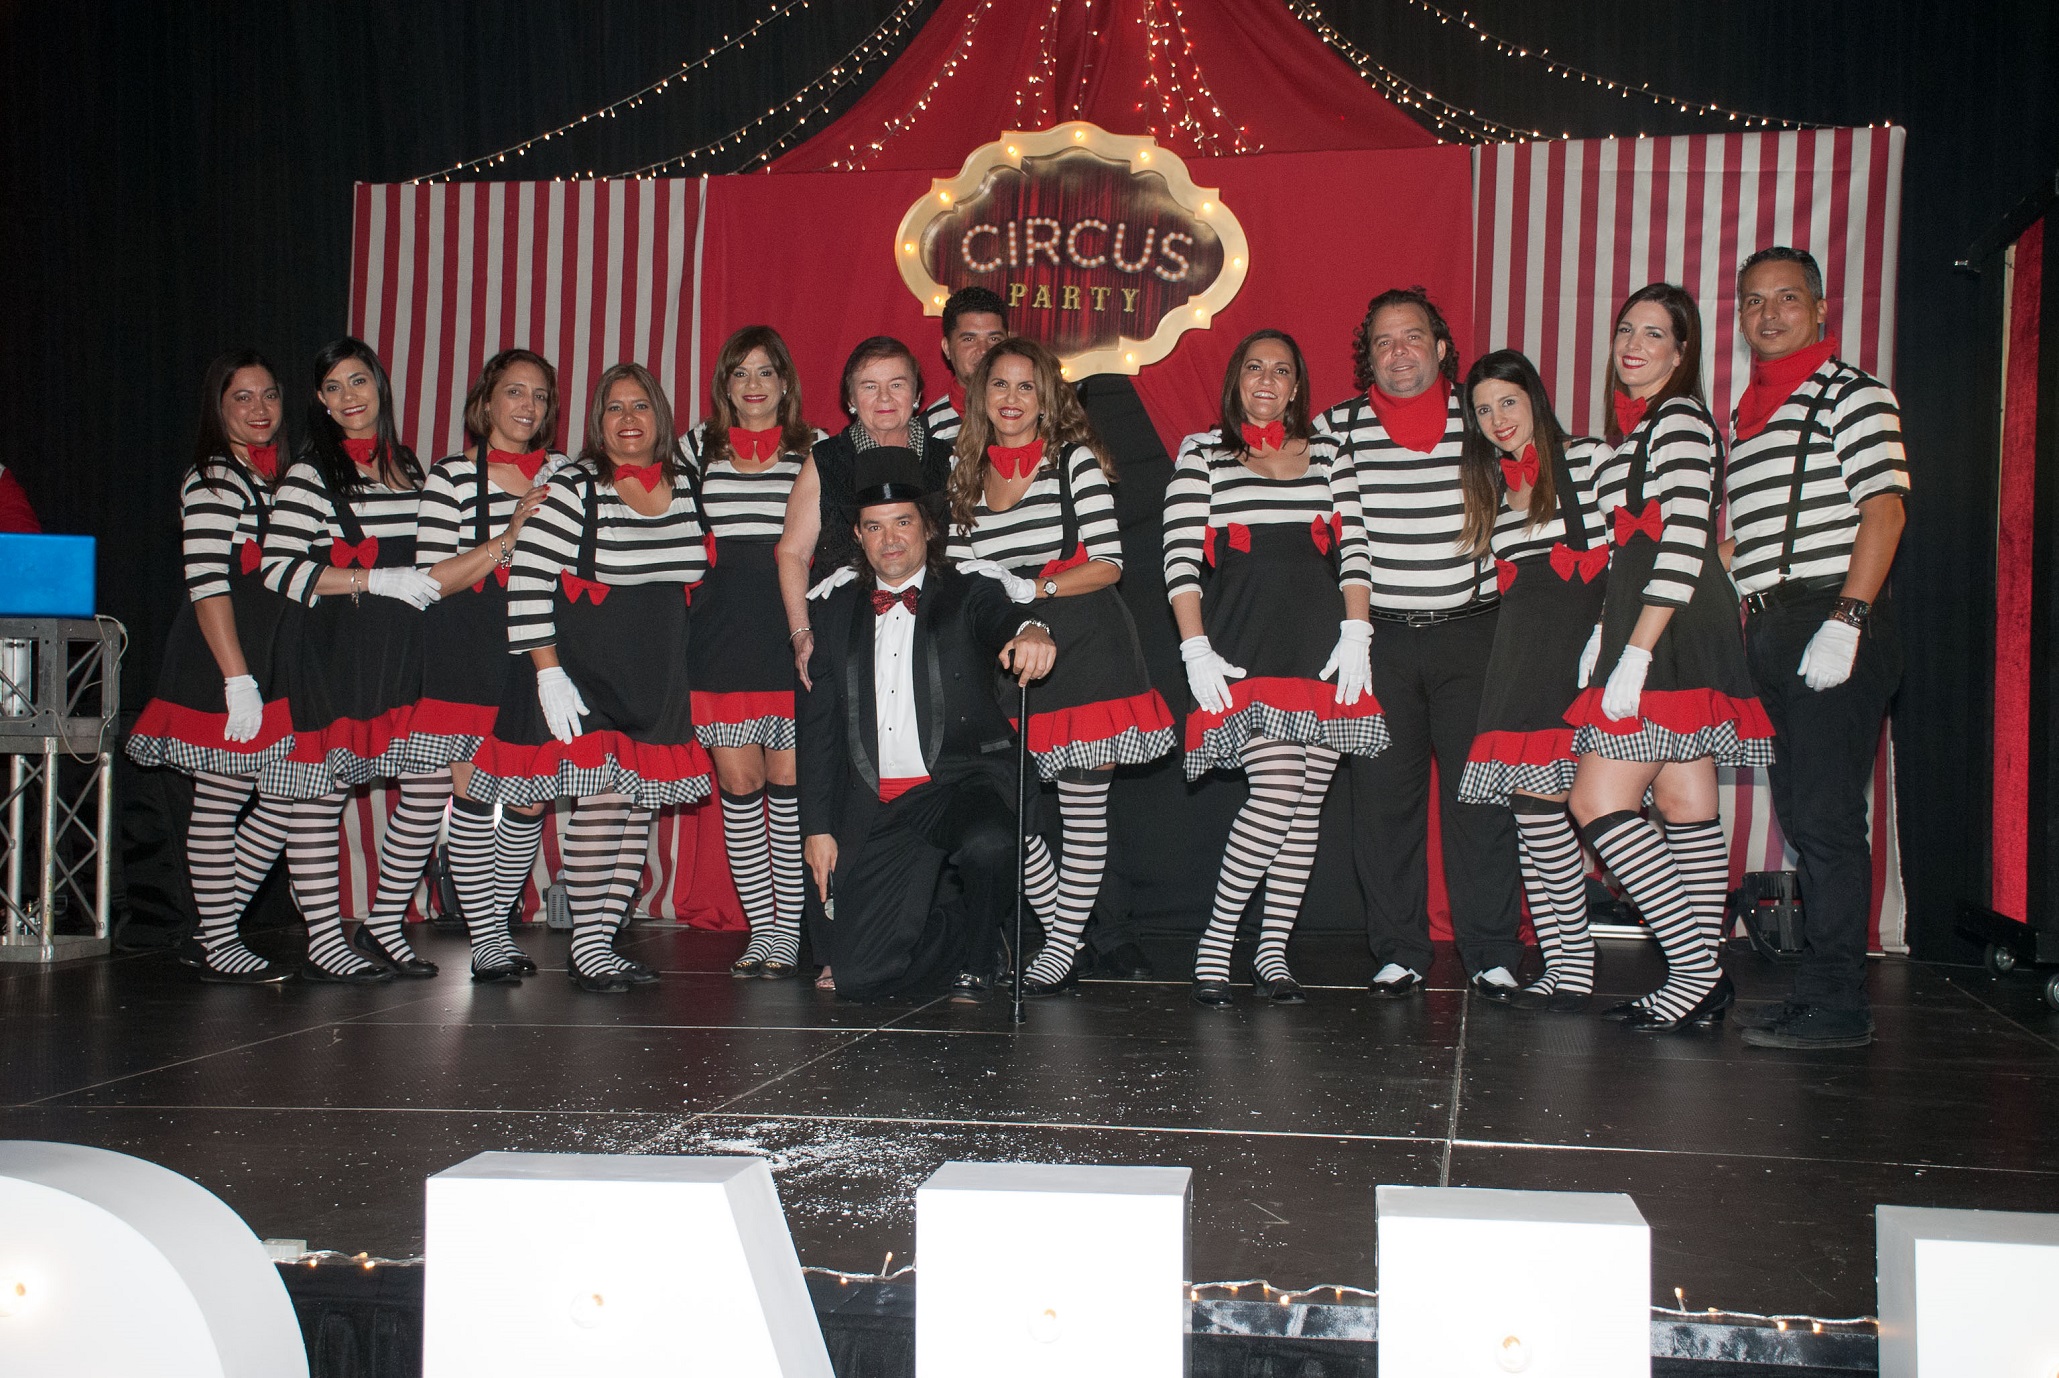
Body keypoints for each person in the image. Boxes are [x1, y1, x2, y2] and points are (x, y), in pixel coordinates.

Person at [1565, 283, 1776, 1031]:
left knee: (1596, 801)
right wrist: (1606, 629)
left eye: (1655, 334)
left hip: (1672, 629)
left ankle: (1693, 970)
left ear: (1681, 352)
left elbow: (1686, 537)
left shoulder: (1680, 418)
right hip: (1657, 621)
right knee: (1685, 806)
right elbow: (1627, 550)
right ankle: (1702, 976)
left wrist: (1635, 652)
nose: (1634, 344)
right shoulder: (1638, 431)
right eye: (1627, 329)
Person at [468, 362, 713, 993]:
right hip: (584, 672)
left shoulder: (687, 485)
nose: (629, 419)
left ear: (661, 417)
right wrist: (548, 674)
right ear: (597, 422)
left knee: (636, 808)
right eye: (614, 407)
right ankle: (579, 946)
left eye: (641, 406)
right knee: (599, 802)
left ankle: (601, 943)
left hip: (655, 676)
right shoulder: (574, 485)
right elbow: (527, 579)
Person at [945, 336, 1176, 994]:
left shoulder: (1072, 459)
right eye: (1000, 384)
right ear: (980, 396)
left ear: (1047, 399)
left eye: (1026, 386)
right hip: (1008, 650)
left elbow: (1108, 563)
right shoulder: (964, 474)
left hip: (1084, 644)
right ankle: (1064, 938)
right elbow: (960, 573)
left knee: (1081, 807)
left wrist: (1034, 588)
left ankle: (1056, 949)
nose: (1012, 398)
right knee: (1008, 809)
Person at [1165, 329, 1386, 1007]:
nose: (1266, 379)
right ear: (1236, 380)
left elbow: (1355, 549)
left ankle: (1271, 950)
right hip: (1246, 644)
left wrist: (1357, 631)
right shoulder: (1202, 453)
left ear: (1296, 387)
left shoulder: (1329, 453)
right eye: (1254, 367)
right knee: (1277, 790)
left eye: (1281, 370)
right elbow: (1179, 560)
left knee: (1306, 803)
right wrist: (1194, 648)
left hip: (1321, 645)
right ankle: (1216, 940)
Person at [1723, 247, 1909, 1051]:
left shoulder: (1851, 393)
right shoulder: (1748, 416)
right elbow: (1751, 543)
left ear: (1821, 309)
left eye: (1787, 297)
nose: (1768, 313)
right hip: (1769, 624)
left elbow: (1884, 510)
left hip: (1829, 617)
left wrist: (1847, 619)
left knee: (1827, 817)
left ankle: (1837, 1001)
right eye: (1753, 300)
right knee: (1802, 815)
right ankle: (1816, 990)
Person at [1315, 288, 1524, 1002]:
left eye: (1410, 337)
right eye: (1382, 341)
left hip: (1476, 632)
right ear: (1367, 357)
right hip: (1380, 642)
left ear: (1439, 348)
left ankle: (1491, 951)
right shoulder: (1336, 428)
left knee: (1481, 799)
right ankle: (1399, 950)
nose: (1397, 352)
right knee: (1381, 805)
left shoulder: (1484, 414)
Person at [796, 447, 1057, 1002]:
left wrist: (1031, 630)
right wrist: (816, 827)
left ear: (928, 527)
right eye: (874, 527)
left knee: (989, 841)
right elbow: (817, 732)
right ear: (858, 536)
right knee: (857, 979)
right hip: (877, 803)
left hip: (956, 784)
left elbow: (1003, 616)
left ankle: (980, 955)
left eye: (903, 522)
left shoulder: (966, 589)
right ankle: (960, 931)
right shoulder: (834, 610)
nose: (890, 539)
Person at [259, 339, 444, 983]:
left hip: (405, 650)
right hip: (335, 653)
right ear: (320, 400)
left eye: (358, 381)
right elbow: (278, 570)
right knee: (320, 794)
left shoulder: (409, 466)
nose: (349, 397)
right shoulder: (309, 475)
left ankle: (384, 921)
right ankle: (323, 940)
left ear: (379, 385)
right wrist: (375, 580)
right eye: (333, 387)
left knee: (429, 783)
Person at [776, 335, 954, 989]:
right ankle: (832, 940)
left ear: (918, 395)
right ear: (849, 398)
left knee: (933, 788)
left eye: (897, 384)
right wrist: (800, 631)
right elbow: (791, 552)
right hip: (840, 639)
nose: (884, 398)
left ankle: (937, 936)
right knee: (832, 787)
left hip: (925, 642)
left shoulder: (944, 458)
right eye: (869, 386)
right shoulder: (827, 458)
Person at [126, 351, 296, 982]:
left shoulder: (277, 478)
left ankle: (212, 930)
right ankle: (220, 940)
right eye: (242, 397)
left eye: (269, 394)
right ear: (218, 409)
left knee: (285, 797)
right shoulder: (214, 478)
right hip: (222, 660)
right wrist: (236, 679)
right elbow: (206, 584)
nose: (259, 409)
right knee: (222, 798)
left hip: (270, 657)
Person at [1454, 351, 1613, 1012]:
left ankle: (1583, 963)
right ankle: (1560, 960)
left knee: (1562, 812)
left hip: (1581, 658)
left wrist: (1607, 635)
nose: (1496, 419)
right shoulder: (1491, 487)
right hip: (1519, 659)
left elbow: (1634, 553)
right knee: (1530, 819)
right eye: (1482, 410)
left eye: (1507, 402)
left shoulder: (1591, 458)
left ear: (1535, 400)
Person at [407, 349, 561, 982]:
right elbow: (429, 579)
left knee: (528, 799)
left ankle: (497, 926)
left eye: (540, 395)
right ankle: (487, 940)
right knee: (472, 795)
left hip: (538, 650)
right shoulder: (450, 476)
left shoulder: (561, 473)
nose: (528, 405)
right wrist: (508, 539)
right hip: (469, 649)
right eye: (515, 392)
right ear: (487, 401)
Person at [681, 326, 822, 979]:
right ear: (725, 386)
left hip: (789, 635)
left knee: (789, 789)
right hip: (718, 640)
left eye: (766, 371)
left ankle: (788, 933)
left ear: (785, 382)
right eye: (740, 373)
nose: (753, 385)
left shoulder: (816, 447)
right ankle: (761, 931)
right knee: (739, 789)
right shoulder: (694, 448)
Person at [917, 286, 1009, 446]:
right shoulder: (926, 431)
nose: (983, 350)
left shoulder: (1034, 418)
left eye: (994, 339)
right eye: (969, 339)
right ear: (947, 348)